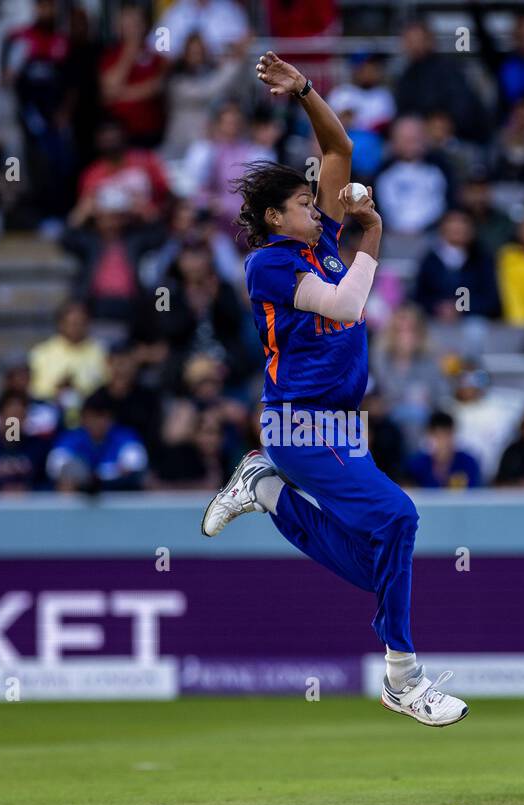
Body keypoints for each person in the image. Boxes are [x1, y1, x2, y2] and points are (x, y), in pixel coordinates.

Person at [199, 50, 468, 727]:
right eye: (299, 203)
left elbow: (338, 144)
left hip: (343, 425)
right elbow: (347, 306)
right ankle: (403, 676)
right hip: (299, 424)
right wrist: (373, 233)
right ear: (271, 219)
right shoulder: (267, 264)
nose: (315, 209)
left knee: (382, 552)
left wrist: (307, 90)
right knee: (400, 518)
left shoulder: (317, 236)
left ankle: (264, 491)